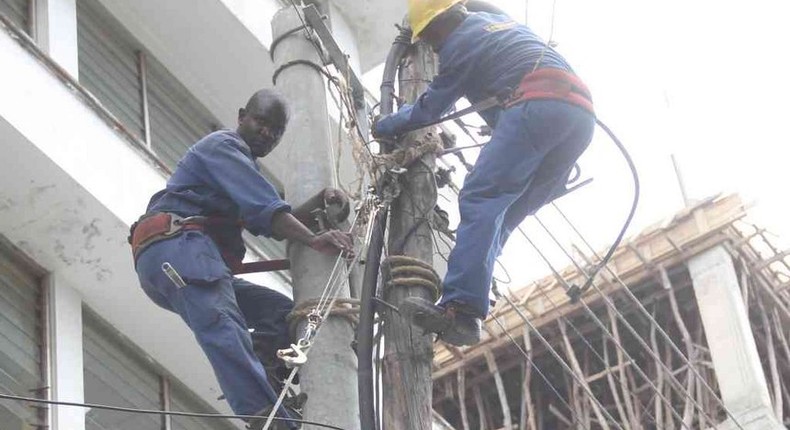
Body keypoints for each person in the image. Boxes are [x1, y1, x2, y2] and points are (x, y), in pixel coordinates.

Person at [373, 0, 595, 346]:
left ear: (442, 23)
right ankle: (474, 292)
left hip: (537, 107)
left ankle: (461, 308)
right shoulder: (503, 26)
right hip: (580, 119)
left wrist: (386, 124)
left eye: (431, 38)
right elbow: (505, 63)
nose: (434, 47)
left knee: (481, 196)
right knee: (503, 214)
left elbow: (430, 108)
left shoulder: (461, 42)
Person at [129, 89, 353, 430]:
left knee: (284, 314)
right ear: (241, 116)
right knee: (222, 324)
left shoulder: (240, 169)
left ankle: (264, 373)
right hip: (178, 250)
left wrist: (321, 203)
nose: (267, 133)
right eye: (261, 122)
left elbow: (272, 221)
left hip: (191, 258)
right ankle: (265, 417)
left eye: (275, 131)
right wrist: (314, 240)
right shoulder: (224, 147)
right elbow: (269, 213)